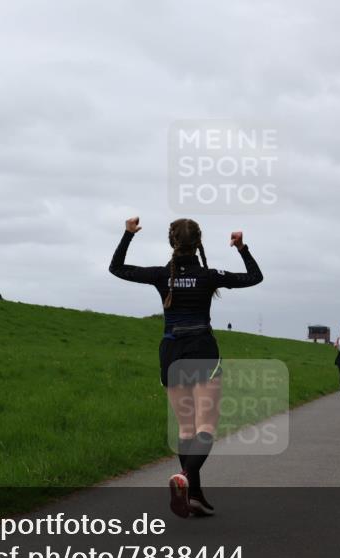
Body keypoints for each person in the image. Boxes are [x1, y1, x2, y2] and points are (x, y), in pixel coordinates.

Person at [109, 216, 263, 518]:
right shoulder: (209, 276)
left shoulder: (159, 274)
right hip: (202, 349)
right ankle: (185, 478)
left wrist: (128, 234)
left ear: (172, 242)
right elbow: (254, 277)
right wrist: (241, 248)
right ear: (198, 243)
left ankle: (193, 495)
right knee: (206, 427)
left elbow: (117, 268)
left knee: (186, 428)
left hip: (172, 350)